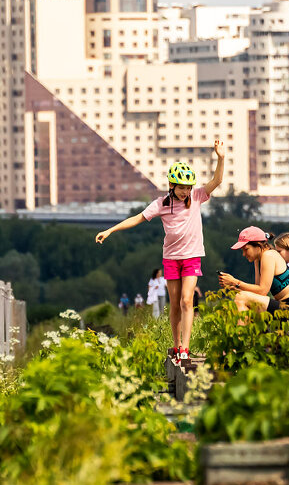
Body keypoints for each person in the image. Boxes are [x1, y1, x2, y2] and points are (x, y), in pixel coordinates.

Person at [96, 140, 226, 362]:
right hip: (171, 259)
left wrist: (221, 158)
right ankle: (176, 346)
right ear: (171, 185)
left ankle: (185, 347)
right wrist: (111, 230)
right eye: (181, 187)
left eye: (188, 187)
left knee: (187, 301)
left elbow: (216, 181)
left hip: (192, 256)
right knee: (174, 304)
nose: (186, 191)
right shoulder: (161, 204)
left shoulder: (196, 198)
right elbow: (137, 218)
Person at [218, 227, 289, 323]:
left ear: (258, 246)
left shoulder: (269, 255)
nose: (244, 254)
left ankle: (241, 336)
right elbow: (257, 292)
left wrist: (235, 282)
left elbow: (262, 291)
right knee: (243, 298)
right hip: (288, 307)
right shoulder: (260, 259)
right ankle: (247, 334)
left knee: (241, 297)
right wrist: (235, 286)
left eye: (246, 249)